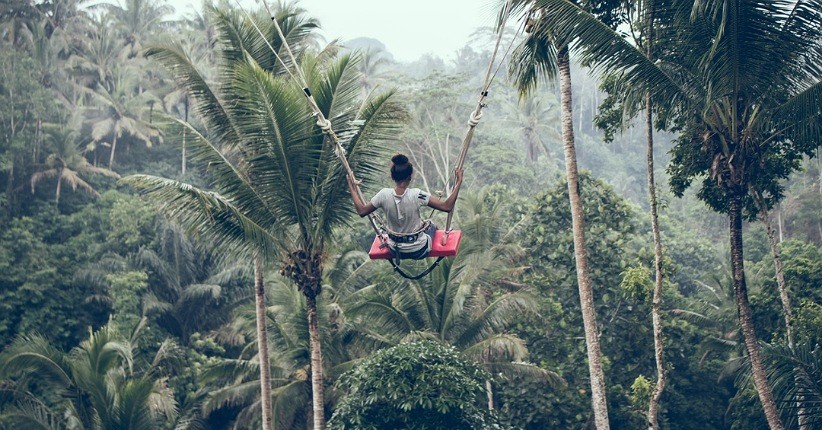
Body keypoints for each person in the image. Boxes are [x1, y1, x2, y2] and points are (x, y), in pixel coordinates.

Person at [348, 154, 464, 260]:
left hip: (395, 250)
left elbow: (362, 211)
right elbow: (447, 206)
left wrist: (352, 188)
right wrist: (458, 182)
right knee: (431, 225)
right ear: (409, 177)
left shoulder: (383, 195)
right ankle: (442, 242)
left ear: (393, 177)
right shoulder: (417, 194)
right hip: (419, 250)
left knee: (423, 225)